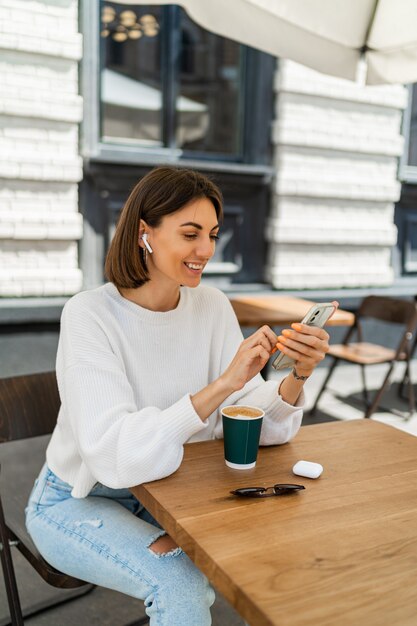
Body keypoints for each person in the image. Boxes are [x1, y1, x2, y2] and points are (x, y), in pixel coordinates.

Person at [26, 166, 333, 625]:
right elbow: (115, 454)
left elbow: (252, 431)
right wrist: (223, 385)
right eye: (190, 234)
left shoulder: (210, 306)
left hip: (174, 492)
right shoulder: (89, 314)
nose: (206, 250)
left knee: (290, 548)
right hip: (81, 499)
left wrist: (297, 377)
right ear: (143, 233)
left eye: (212, 234)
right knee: (181, 583)